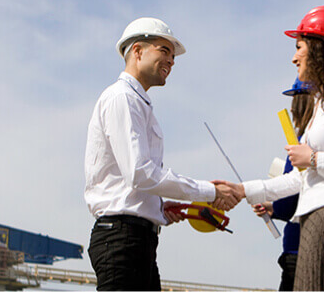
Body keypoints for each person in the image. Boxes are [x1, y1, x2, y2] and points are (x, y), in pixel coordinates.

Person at [224, 5, 324, 290]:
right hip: (314, 222)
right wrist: (242, 190)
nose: (293, 57)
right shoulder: (322, 105)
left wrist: (314, 158)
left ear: (318, 48)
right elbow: (299, 180)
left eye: (299, 47)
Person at [84, 17, 243, 291]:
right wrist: (209, 191)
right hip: (122, 240)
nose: (172, 61)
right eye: (164, 51)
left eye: (172, 55)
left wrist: (157, 206)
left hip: (134, 240)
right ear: (137, 51)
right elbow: (140, 173)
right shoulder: (122, 98)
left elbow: (135, 179)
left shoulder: (136, 102)